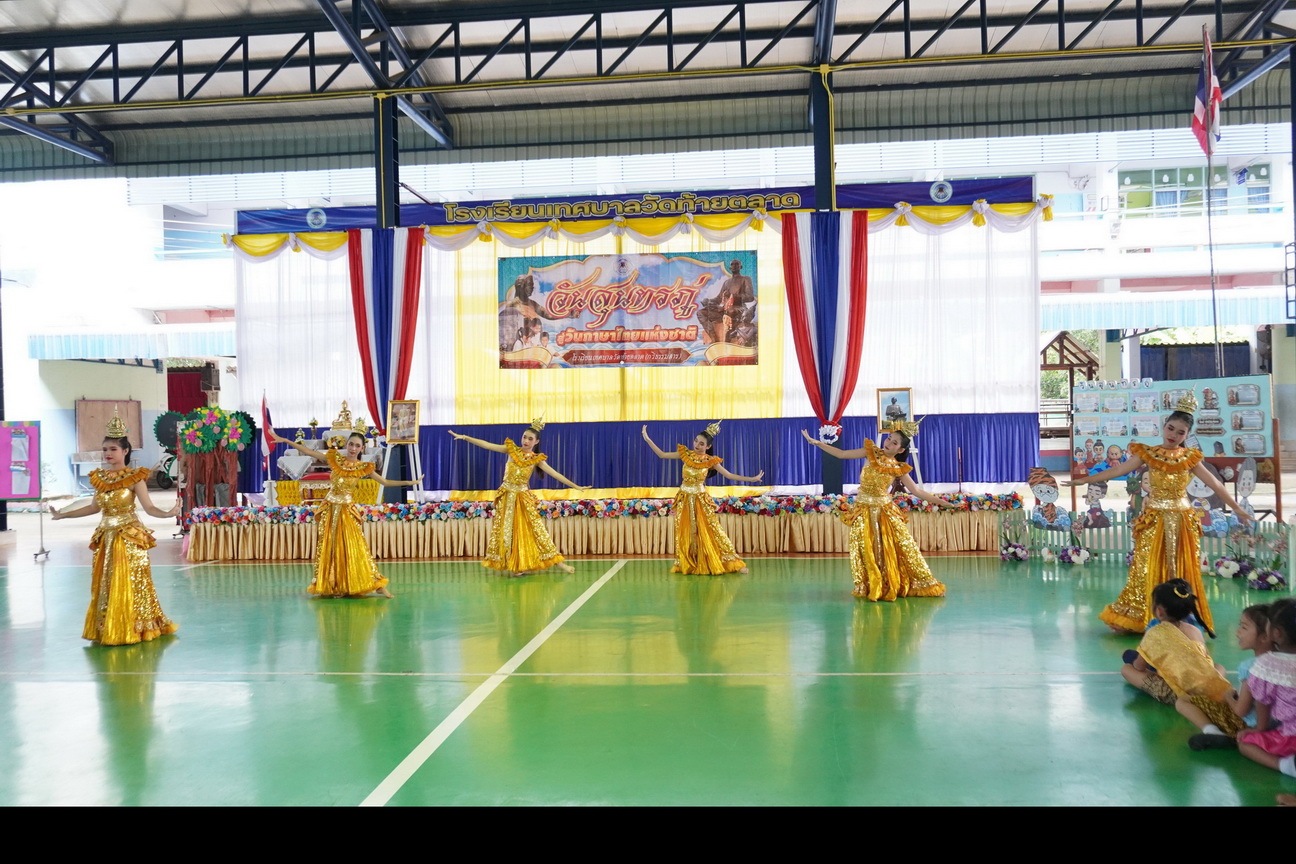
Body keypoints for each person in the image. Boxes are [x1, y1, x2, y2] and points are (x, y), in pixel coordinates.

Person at [1065, 393, 1254, 635]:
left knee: (1182, 567)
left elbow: (1216, 485)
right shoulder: (1148, 453)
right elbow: (1117, 471)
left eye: (1180, 432)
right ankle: (1141, 617)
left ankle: (1181, 618)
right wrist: (1085, 480)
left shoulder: (1190, 458)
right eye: (1171, 428)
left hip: (1182, 520)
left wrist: (1236, 508)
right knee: (1145, 566)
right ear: (1164, 426)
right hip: (1154, 519)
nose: (1173, 435)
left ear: (1187, 435)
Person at [50, 412, 180, 646]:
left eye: (113, 449)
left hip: (128, 538)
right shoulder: (99, 478)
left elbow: (149, 508)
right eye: (105, 449)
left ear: (125, 451)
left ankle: (133, 627)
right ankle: (109, 628)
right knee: (107, 583)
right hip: (106, 539)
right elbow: (93, 508)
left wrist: (169, 513)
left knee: (128, 583)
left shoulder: (135, 478)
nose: (108, 453)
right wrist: (63, 515)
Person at [802, 421, 957, 601]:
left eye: (894, 442)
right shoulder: (871, 453)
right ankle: (872, 585)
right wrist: (817, 443)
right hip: (863, 511)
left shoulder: (898, 468)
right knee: (866, 550)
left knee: (893, 549)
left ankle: (891, 583)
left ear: (900, 450)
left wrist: (942, 502)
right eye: (889, 438)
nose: (888, 443)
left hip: (884, 513)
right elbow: (842, 454)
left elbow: (917, 491)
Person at [270, 430, 420, 598]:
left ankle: (375, 584)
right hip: (330, 510)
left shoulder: (363, 467)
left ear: (362, 448)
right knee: (330, 547)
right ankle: (334, 585)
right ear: (347, 445)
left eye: (357, 446)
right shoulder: (335, 459)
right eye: (351, 444)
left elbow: (384, 482)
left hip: (346, 512)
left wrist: (410, 482)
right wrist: (285, 440)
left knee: (355, 546)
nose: (353, 448)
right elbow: (309, 452)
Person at [450, 419, 589, 577]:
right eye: (524, 437)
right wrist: (465, 437)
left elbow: (556, 474)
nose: (526, 441)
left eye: (530, 439)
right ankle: (516, 565)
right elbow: (487, 445)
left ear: (536, 442)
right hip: (507, 498)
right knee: (508, 532)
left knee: (534, 529)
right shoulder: (512, 451)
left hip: (522, 499)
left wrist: (576, 486)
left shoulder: (536, 459)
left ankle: (559, 563)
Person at [1120, 579, 1243, 742]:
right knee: (1218, 666)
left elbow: (1139, 666)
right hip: (1207, 684)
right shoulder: (1195, 630)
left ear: (1159, 611)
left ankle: (1208, 727)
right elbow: (1205, 661)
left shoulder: (1154, 633)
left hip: (1179, 691)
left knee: (1127, 669)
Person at [643, 421, 764, 575]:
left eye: (701, 444)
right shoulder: (686, 455)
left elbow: (729, 475)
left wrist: (752, 479)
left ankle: (731, 562)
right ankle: (690, 562)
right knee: (685, 532)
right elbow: (662, 454)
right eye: (696, 441)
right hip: (685, 500)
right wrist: (647, 439)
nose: (697, 445)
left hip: (700, 501)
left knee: (711, 529)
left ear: (708, 446)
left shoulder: (710, 461)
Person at [1202, 599, 1296, 775]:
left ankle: (1285, 766)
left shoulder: (1266, 665)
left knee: (1245, 744)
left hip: (1289, 736)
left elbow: (1262, 701)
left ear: (1276, 633)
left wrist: (1259, 729)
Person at [697, 259, 755, 345]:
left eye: (736, 264)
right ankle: (713, 337)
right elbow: (719, 299)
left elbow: (750, 297)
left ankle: (729, 339)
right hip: (724, 310)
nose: (734, 266)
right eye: (732, 264)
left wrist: (734, 296)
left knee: (730, 310)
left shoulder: (745, 279)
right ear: (730, 267)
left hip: (738, 309)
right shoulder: (727, 283)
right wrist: (708, 301)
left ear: (741, 267)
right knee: (701, 313)